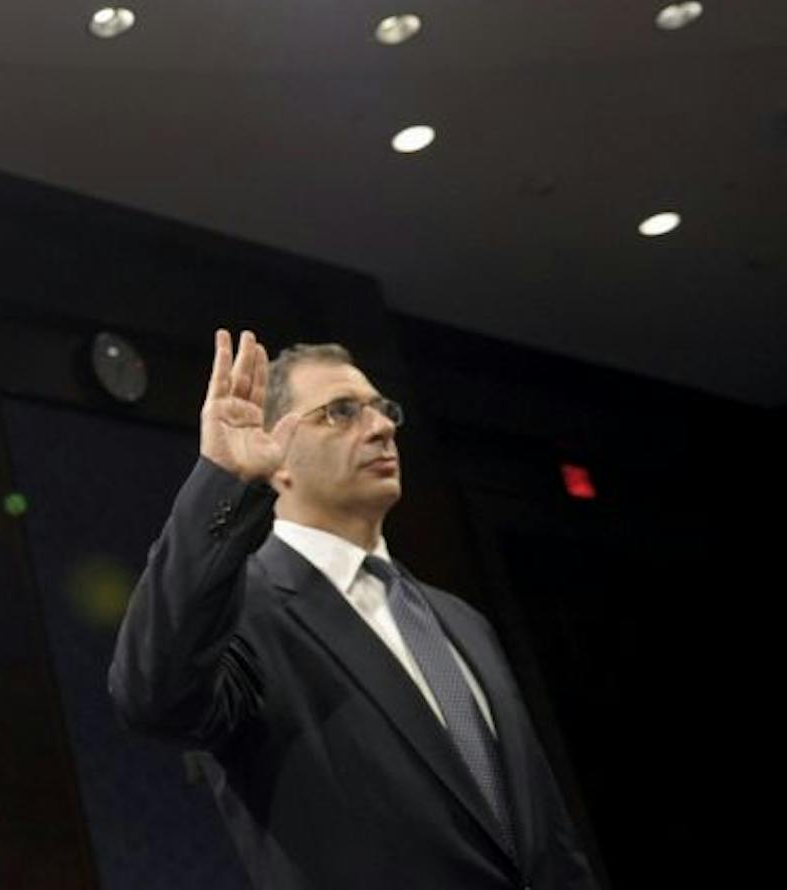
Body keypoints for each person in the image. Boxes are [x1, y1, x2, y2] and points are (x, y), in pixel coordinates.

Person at [108, 329, 597, 889]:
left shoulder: (462, 621)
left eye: (382, 409)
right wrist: (223, 484)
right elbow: (152, 699)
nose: (384, 427)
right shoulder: (244, 608)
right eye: (341, 412)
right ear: (277, 455)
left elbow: (546, 828)